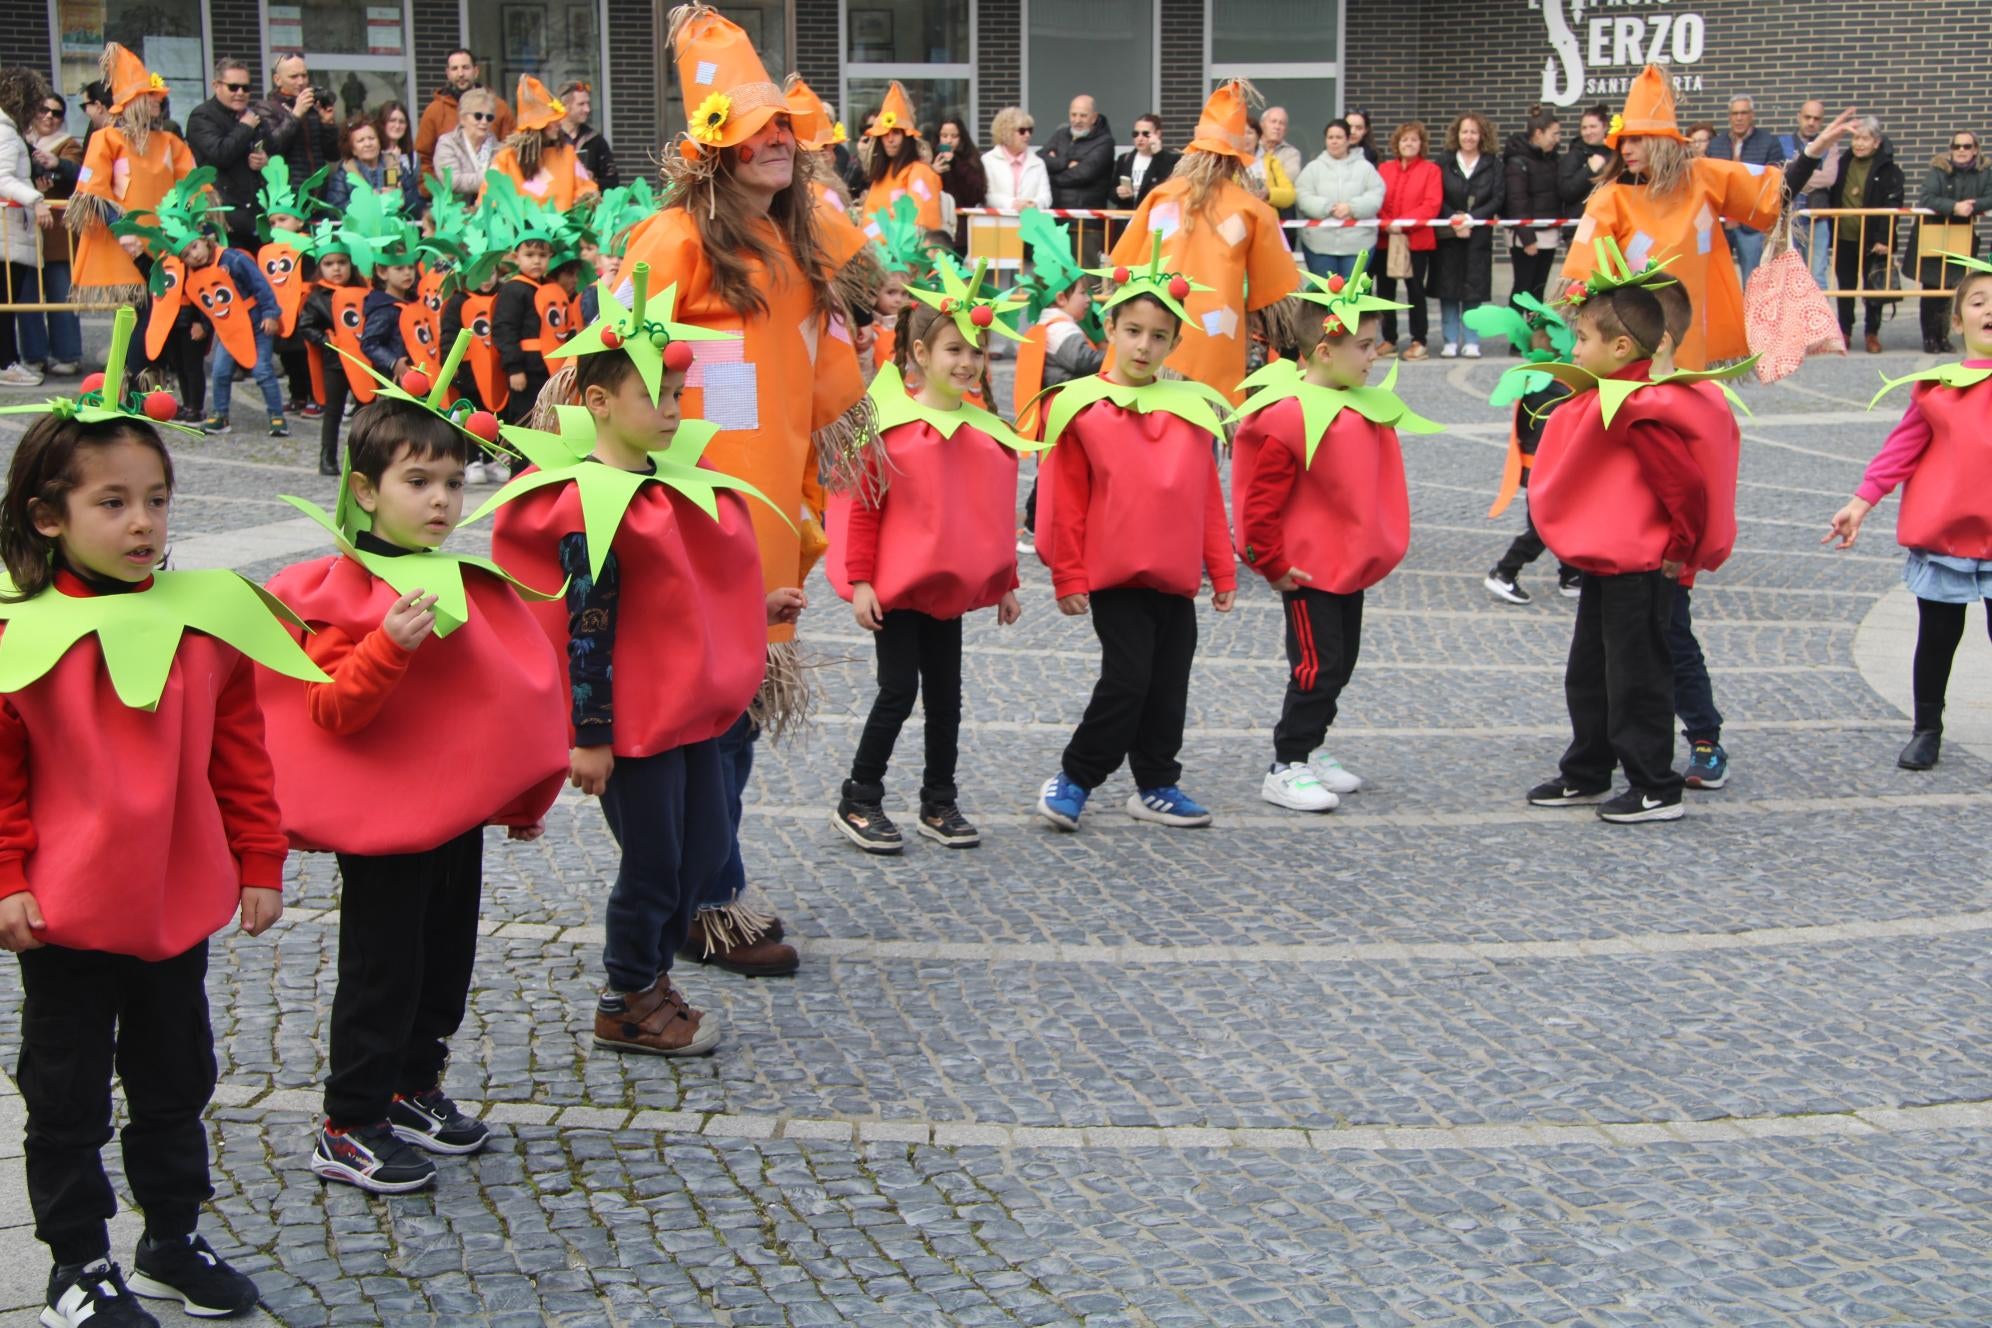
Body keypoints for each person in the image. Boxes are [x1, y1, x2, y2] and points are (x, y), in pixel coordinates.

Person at [0, 313, 319, 1328]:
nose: (144, 522)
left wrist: (259, 855)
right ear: (49, 517)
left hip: (172, 905)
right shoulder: (23, 636)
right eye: (114, 503)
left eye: (157, 500)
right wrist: (7, 873)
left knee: (176, 1071)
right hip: (67, 908)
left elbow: (240, 748)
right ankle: (77, 1259)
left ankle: (172, 1230)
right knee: (66, 1089)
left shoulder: (199, 617)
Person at [255, 365, 564, 1194]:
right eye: (417, 481)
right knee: (381, 966)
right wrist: (386, 643)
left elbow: (488, 707)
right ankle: (349, 1118)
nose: (440, 501)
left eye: (454, 483)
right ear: (365, 490)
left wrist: (514, 796)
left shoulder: (451, 581)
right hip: (383, 822)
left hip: (449, 817)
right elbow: (332, 711)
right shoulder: (341, 589)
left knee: (444, 956)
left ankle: (412, 1083)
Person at [616, 2, 868, 971]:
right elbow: (614, 370)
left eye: (787, 131)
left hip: (768, 521)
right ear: (713, 150)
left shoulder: (797, 247)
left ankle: (692, 885)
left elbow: (824, 373)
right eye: (758, 130)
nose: (778, 144)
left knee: (737, 723)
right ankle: (705, 896)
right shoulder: (674, 242)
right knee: (701, 723)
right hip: (688, 524)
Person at [492, 265, 800, 1042]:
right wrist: (588, 736)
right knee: (654, 867)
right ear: (598, 402)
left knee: (701, 855)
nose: (670, 411)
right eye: (653, 397)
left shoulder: (669, 486)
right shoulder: (587, 504)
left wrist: (754, 610)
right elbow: (586, 625)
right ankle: (626, 994)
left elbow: (684, 596)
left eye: (674, 396)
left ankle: (655, 977)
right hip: (632, 728)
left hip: (688, 714)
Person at [1525, 261, 1738, 824]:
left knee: (1637, 678)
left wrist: (1677, 550)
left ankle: (1654, 786)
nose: (1574, 347)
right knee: (1590, 672)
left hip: (1642, 567)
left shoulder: (1641, 407)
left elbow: (1683, 487)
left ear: (1621, 346)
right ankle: (1588, 769)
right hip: (1609, 564)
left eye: (1583, 338)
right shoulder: (1612, 395)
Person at [1032, 251, 1235, 831]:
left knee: (1169, 684)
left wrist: (1220, 570)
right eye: (1133, 332)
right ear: (1111, 329)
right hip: (1115, 576)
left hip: (1174, 578)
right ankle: (1075, 776)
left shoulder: (1191, 409)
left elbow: (1205, 498)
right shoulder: (1082, 406)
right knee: (1127, 679)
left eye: (1159, 336)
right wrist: (1068, 575)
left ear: (1173, 344)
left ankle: (1156, 783)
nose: (1144, 346)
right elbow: (1066, 502)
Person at [828, 277, 1029, 852]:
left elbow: (990, 514)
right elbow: (865, 508)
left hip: (948, 591)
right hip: (896, 590)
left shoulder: (985, 432)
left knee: (947, 697)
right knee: (897, 691)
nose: (967, 362)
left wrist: (1005, 582)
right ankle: (860, 795)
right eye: (953, 349)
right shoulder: (889, 427)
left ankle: (939, 799)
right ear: (920, 354)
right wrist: (862, 580)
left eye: (975, 350)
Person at [1234, 263, 1438, 813]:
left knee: (1340, 661)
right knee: (1315, 666)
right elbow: (1261, 503)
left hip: (1344, 564)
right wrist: (1272, 564)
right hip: (1307, 570)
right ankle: (1287, 762)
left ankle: (1313, 745)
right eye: (1365, 346)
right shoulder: (1290, 416)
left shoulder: (1355, 404)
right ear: (1325, 352)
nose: (1375, 356)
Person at [1825, 256, 1992, 771]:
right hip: (1947, 539)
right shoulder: (1938, 386)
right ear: (1958, 321)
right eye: (1979, 302)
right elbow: (1901, 450)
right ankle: (1927, 727)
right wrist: (1860, 502)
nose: (1991, 311)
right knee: (1937, 638)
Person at [1563, 66, 1784, 370]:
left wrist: (1812, 155)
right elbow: (1586, 269)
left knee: (1684, 403)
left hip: (1688, 330)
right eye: (1623, 141)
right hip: (1633, 336)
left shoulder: (1703, 178)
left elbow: (1767, 191)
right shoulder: (1611, 197)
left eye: (1637, 139)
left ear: (1660, 141)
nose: (1626, 149)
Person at [1106, 80, 1301, 401]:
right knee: (1202, 429)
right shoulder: (1253, 209)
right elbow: (1278, 297)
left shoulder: (1160, 196)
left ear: (1193, 150)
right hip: (1216, 336)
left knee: (1140, 421)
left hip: (1149, 333)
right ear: (1238, 159)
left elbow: (1119, 269)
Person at [1468, 297, 1581, 604]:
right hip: (1545, 470)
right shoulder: (1547, 386)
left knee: (1562, 521)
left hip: (1544, 469)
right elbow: (1552, 434)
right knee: (1545, 528)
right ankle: (1504, 572)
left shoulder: (1546, 379)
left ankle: (1571, 574)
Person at [64, 44, 195, 307]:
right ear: (133, 101)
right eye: (149, 95)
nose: (157, 100)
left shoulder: (170, 142)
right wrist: (123, 232)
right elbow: (93, 193)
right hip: (126, 244)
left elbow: (193, 188)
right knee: (132, 315)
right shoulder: (107, 139)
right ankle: (121, 352)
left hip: (166, 241)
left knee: (161, 319)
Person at [1787, 115, 1901, 354]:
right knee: (1845, 285)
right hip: (1844, 236)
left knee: (1872, 288)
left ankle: (1872, 333)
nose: (1859, 144)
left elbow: (1893, 205)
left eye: (1865, 139)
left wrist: (1884, 238)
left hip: (1872, 240)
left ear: (1876, 142)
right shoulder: (1843, 163)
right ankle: (1845, 330)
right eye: (1856, 138)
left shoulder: (1889, 170)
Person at [17, 83, 85, 377]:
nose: (49, 117)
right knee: (25, 298)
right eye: (43, 110)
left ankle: (67, 353)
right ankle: (34, 354)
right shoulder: (19, 141)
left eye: (56, 113)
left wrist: (55, 165)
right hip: (25, 231)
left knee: (61, 296)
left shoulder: (69, 143)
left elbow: (80, 172)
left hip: (58, 235)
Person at [0, 68, 58, 386]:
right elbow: (3, 177)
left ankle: (8, 360)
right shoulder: (6, 132)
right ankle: (6, 362)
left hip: (8, 231)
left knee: (7, 302)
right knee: (6, 303)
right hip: (6, 233)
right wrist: (35, 199)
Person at [296, 222, 368, 474]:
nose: (336, 268)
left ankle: (363, 457)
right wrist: (326, 341)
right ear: (320, 268)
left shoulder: (364, 292)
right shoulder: (317, 297)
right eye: (329, 264)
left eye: (341, 262)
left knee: (366, 409)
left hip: (363, 361)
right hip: (335, 362)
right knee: (334, 411)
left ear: (350, 265)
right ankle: (327, 457)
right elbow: (306, 325)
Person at [1912, 131, 1991, 353]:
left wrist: (1972, 206)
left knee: (1952, 288)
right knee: (1931, 287)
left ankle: (1943, 336)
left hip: (1962, 236)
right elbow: (1927, 197)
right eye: (1957, 146)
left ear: (1975, 149)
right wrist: (1955, 207)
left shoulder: (1984, 173)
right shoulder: (1939, 170)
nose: (1961, 151)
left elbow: (1990, 195)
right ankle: (1929, 337)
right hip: (1935, 233)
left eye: (1967, 146)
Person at [1433, 112, 1501, 358]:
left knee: (1474, 288)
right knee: (1448, 288)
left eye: (1473, 132)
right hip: (1450, 234)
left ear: (1481, 135)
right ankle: (1450, 340)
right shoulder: (1444, 161)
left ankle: (1472, 340)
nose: (1469, 137)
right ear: (1457, 134)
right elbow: (1436, 195)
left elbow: (1498, 197)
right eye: (1464, 132)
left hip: (1478, 234)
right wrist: (1455, 220)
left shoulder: (1492, 163)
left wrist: (1472, 219)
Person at [184, 59, 268, 251]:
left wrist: (264, 159)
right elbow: (219, 154)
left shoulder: (251, 117)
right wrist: (245, 127)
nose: (240, 93)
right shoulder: (202, 116)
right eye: (233, 87)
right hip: (223, 220)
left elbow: (269, 147)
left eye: (246, 88)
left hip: (255, 217)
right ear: (216, 86)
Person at [1374, 120, 1441, 360]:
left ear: (1421, 144)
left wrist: (1402, 223)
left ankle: (1418, 339)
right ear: (1397, 143)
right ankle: (1389, 338)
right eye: (1405, 139)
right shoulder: (1385, 169)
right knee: (1384, 291)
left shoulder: (1430, 171)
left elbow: (1431, 205)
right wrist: (1387, 222)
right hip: (1386, 239)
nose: (1409, 144)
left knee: (1415, 292)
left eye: (1414, 139)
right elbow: (1377, 200)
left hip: (1416, 241)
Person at [1295, 118, 1383, 282]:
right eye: (1330, 137)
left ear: (1348, 140)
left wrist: (1352, 208)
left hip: (1357, 245)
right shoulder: (1313, 168)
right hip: (1319, 246)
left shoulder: (1365, 168)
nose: (1334, 141)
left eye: (1339, 137)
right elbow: (1302, 195)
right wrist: (1328, 207)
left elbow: (1376, 194)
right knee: (1323, 301)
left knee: (1351, 299)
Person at [1717, 95, 1784, 288]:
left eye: (1744, 113)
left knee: (1753, 281)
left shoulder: (1769, 142)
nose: (1739, 118)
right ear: (1729, 116)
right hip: (1721, 226)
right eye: (1735, 113)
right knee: (1718, 281)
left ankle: (1750, 319)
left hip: (1751, 224)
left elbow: (1774, 182)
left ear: (1752, 115)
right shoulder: (1717, 144)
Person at [416, 48, 514, 178]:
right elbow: (423, 156)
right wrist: (433, 191)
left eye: (465, 67)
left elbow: (512, 149)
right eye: (454, 69)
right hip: (448, 194)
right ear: (447, 73)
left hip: (491, 193)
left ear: (476, 71)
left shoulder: (499, 107)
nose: (460, 73)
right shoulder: (434, 111)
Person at [1504, 106, 1565, 307]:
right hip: (1526, 237)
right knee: (1522, 287)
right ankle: (1516, 335)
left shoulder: (1553, 159)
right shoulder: (1517, 161)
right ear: (1538, 134)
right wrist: (1527, 238)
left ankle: (1535, 334)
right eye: (1554, 133)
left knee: (1539, 288)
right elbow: (1517, 200)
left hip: (1548, 234)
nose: (1558, 138)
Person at [860, 83, 944, 230]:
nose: (890, 139)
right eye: (885, 134)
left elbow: (922, 220)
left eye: (896, 133)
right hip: (876, 251)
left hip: (904, 252)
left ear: (907, 138)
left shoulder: (920, 173)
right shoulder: (880, 175)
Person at [1779, 100, 1841, 291]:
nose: (1811, 122)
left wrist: (1796, 172)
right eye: (1807, 117)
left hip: (1817, 219)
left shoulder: (1830, 146)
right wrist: (1807, 173)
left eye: (1816, 118)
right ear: (1799, 117)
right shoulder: (1782, 143)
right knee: (1789, 277)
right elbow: (1778, 174)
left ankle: (1821, 321)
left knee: (1817, 277)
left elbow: (1829, 178)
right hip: (1788, 218)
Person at [257, 55, 339, 183]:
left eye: (304, 75)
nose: (301, 82)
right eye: (293, 77)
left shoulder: (314, 106)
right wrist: (296, 114)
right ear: (277, 80)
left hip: (318, 188)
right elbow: (273, 147)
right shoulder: (267, 107)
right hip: (287, 190)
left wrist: (327, 124)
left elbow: (333, 155)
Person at [325, 116, 423, 216]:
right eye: (361, 140)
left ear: (379, 142)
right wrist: (366, 203)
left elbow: (419, 206)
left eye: (372, 138)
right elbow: (334, 211)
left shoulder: (395, 167)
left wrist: (401, 199)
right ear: (353, 149)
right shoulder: (344, 175)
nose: (368, 144)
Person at [1042, 93, 1115, 211]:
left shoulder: (1105, 143)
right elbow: (1040, 159)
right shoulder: (1060, 135)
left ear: (1094, 117)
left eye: (1083, 116)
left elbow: (1082, 174)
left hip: (1085, 220)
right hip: (1055, 215)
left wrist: (1048, 177)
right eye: (1073, 115)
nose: (1077, 120)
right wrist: (1064, 163)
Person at [428, 86, 498, 201]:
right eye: (478, 116)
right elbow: (452, 182)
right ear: (462, 118)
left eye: (489, 117)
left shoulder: (497, 148)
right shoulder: (447, 143)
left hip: (490, 213)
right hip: (456, 213)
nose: (484, 122)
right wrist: (490, 179)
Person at [981, 106, 1050, 212]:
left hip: (1028, 225)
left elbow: (1046, 197)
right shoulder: (987, 161)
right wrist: (1012, 204)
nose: (1027, 135)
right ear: (1006, 132)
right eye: (1022, 131)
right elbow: (986, 195)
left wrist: (1035, 204)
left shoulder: (1038, 163)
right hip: (996, 225)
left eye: (1030, 130)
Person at [932, 116, 984, 252]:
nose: (948, 140)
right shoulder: (930, 158)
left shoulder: (970, 159)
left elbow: (977, 192)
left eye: (954, 136)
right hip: (934, 227)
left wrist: (955, 163)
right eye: (944, 136)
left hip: (961, 231)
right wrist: (932, 172)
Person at [558, 82, 617, 189]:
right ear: (564, 106)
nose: (587, 109)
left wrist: (593, 180)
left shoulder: (596, 140)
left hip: (587, 204)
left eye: (588, 104)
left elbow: (613, 183)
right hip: (555, 204)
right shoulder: (549, 140)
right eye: (581, 104)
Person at [1557, 104, 1613, 219]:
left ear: (1605, 127)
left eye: (1593, 126)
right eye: (1584, 128)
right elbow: (1565, 192)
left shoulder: (1615, 153)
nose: (1588, 132)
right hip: (1581, 225)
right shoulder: (1574, 155)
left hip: (1609, 221)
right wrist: (1589, 170)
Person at [1242, 117, 1295, 212]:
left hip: (1266, 221)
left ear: (1258, 137)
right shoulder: (1228, 164)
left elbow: (1290, 195)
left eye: (1249, 133)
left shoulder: (1272, 162)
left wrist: (1269, 193)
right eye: (1240, 133)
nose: (1245, 137)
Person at [1257, 106, 1302, 188]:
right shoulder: (1251, 147)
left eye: (1282, 123)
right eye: (1273, 121)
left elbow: (1287, 182)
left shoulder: (1292, 154)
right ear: (1262, 125)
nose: (1277, 127)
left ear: (1286, 130)